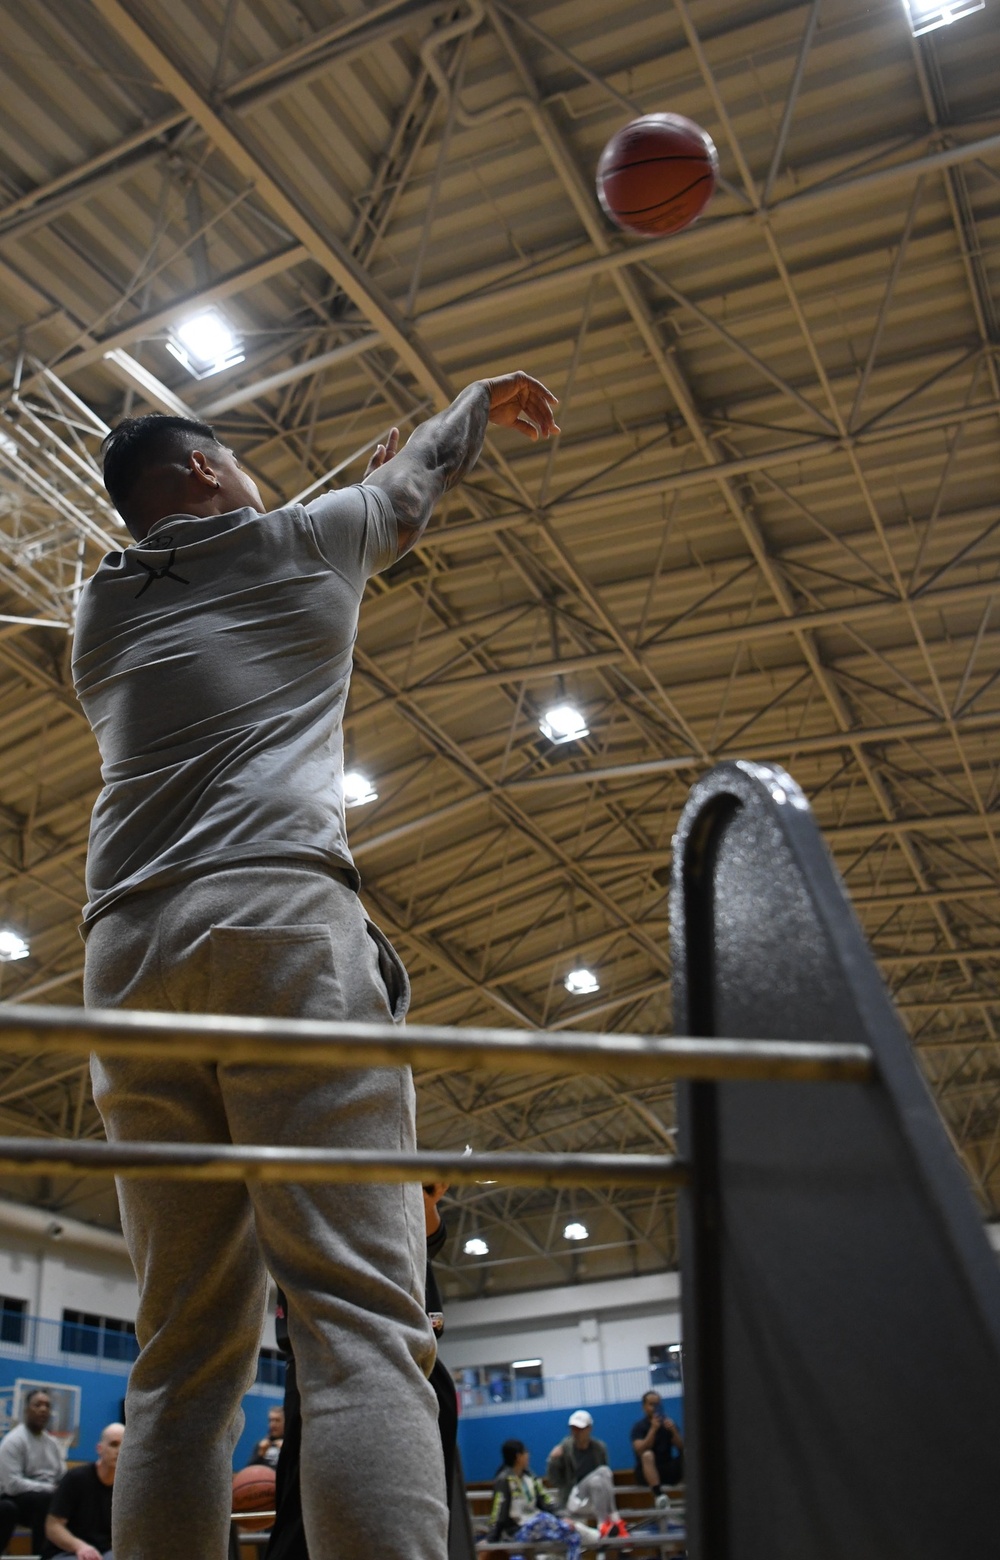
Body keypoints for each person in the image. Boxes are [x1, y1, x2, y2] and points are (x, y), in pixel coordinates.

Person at [73, 371, 558, 1560]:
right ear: (197, 471)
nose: (253, 475)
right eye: (233, 458)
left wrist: (321, 501)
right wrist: (474, 402)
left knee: (181, 1358)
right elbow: (412, 487)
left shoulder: (100, 613)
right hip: (273, 919)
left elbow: (277, 536)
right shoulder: (302, 542)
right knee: (356, 1325)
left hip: (124, 959)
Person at [264, 1184, 475, 1560]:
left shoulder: (389, 1153)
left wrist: (424, 1202)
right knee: (301, 1533)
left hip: (418, 1357)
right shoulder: (302, 1163)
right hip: (331, 1353)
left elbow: (428, 1241)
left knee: (418, 1528)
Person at [42, 1422, 123, 1560]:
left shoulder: (125, 1489)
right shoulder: (76, 1478)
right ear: (100, 1448)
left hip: (104, 1553)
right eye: (114, 1444)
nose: (119, 1451)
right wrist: (80, 1547)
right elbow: (53, 1527)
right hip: (66, 1552)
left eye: (124, 1446)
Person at [0, 1389, 65, 1555]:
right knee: (45, 1500)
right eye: (38, 1405)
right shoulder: (13, 1441)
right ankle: (40, 1555)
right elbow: (12, 1485)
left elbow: (62, 1477)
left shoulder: (53, 1444)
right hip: (15, 1499)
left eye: (47, 1406)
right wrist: (50, 1489)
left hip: (46, 1498)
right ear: (26, 1410)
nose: (43, 1409)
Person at [546, 1410, 618, 1526]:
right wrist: (552, 1461)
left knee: (600, 1478)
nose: (576, 1432)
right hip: (573, 1497)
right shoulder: (564, 1449)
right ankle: (613, 1517)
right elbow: (554, 1480)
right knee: (603, 1472)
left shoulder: (599, 1448)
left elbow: (605, 1480)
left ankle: (604, 1524)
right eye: (573, 1428)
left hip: (594, 1494)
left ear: (589, 1429)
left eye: (580, 1429)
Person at [483, 1441, 556, 1545]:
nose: (528, 1456)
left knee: (569, 1532)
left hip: (535, 1523)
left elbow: (545, 1499)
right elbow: (498, 1511)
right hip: (516, 1530)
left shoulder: (530, 1476)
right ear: (518, 1456)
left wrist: (561, 1516)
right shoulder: (503, 1480)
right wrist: (491, 1538)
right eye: (526, 1452)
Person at [631, 1390, 684, 1506]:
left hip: (667, 1468)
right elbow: (639, 1449)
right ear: (644, 1407)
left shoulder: (669, 1424)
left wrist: (673, 1431)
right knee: (647, 1455)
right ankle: (659, 1495)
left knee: (688, 1454)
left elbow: (681, 1447)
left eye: (657, 1404)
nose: (655, 1408)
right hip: (646, 1473)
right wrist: (653, 1430)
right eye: (651, 1404)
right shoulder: (639, 1427)